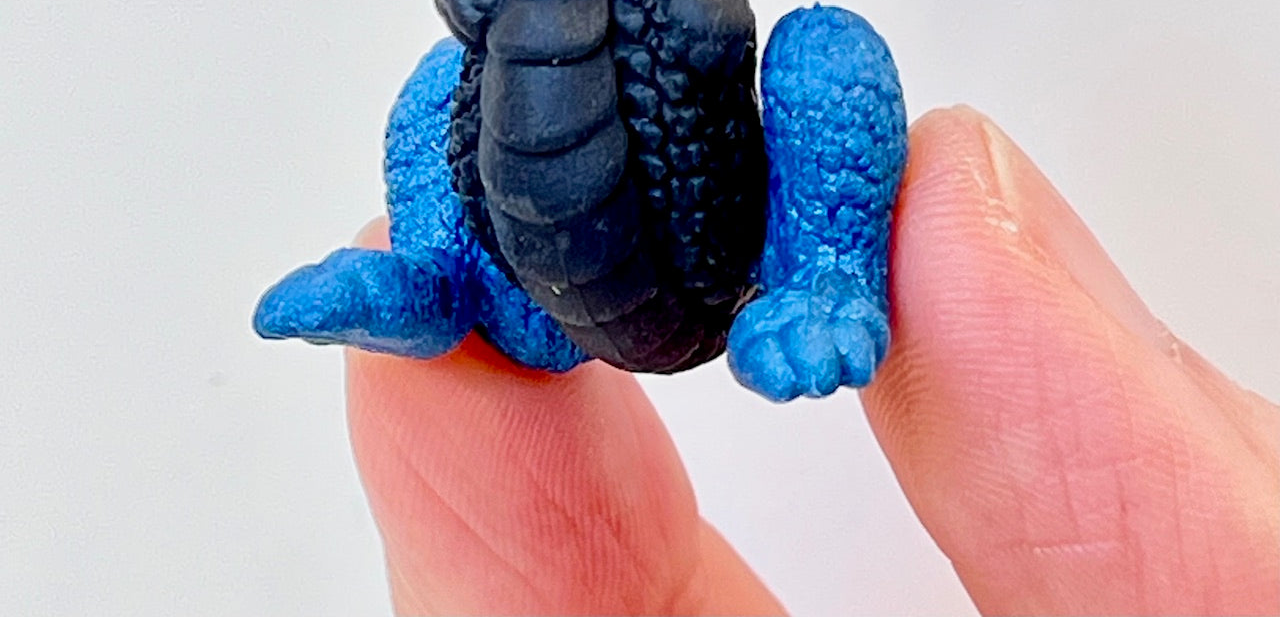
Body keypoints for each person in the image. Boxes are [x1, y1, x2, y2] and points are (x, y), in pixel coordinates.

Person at [344, 108, 1279, 615]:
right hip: (529, 282)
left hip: (720, 242)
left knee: (826, 49)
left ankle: (829, 274)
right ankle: (436, 270)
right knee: (440, 85)